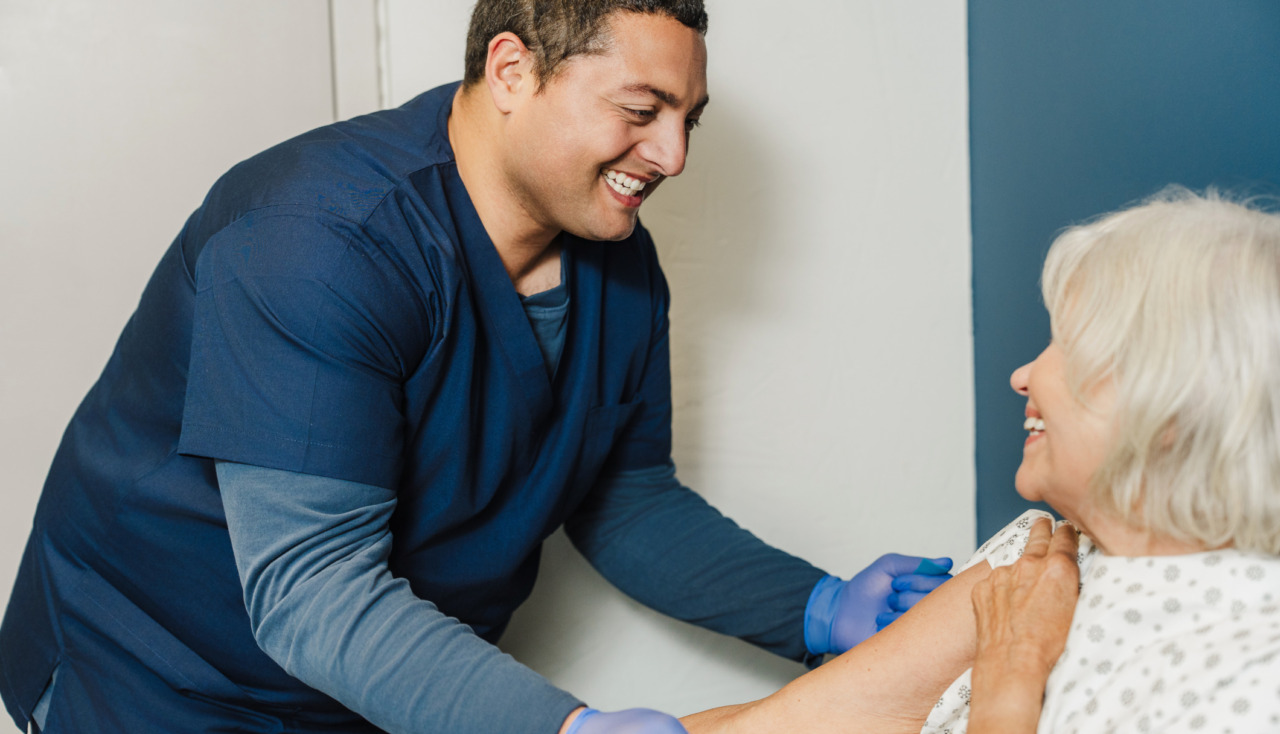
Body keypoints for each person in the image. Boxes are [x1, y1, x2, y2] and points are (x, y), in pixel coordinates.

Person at [0, 1, 955, 733]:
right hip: (151, 676)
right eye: (641, 109)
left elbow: (625, 501)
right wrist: (562, 726)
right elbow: (312, 591)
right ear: (511, 69)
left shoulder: (620, 266)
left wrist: (818, 608)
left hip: (358, 691)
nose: (670, 155)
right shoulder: (319, 240)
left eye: (689, 119)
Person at [679, 188, 1280, 733]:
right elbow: (805, 721)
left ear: (1171, 402)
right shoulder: (1045, 556)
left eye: (1066, 342)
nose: (1023, 374)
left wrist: (1014, 672)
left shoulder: (1274, 669)